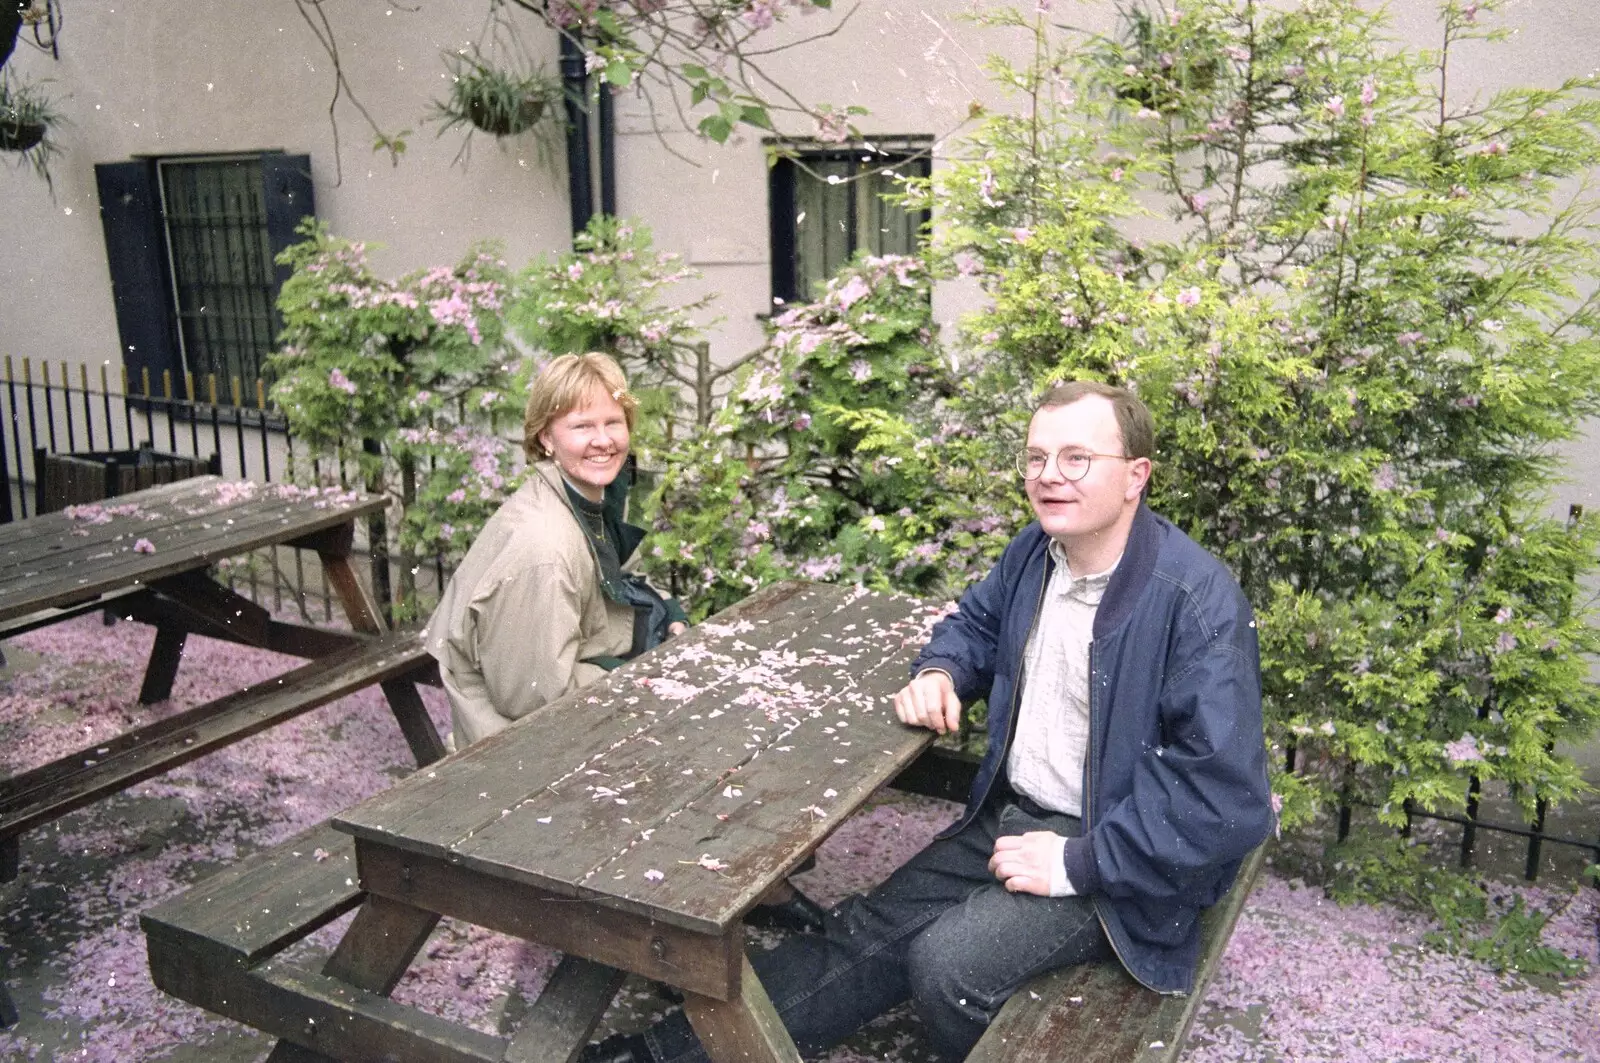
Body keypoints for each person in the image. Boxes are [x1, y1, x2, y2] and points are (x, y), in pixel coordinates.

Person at [582, 380, 1274, 1063]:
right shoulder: (1039, 552)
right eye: (1036, 458)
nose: (1049, 477)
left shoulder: (1195, 602)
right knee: (866, 929)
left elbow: (1222, 801)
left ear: (1136, 476)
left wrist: (1077, 860)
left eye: (1076, 458)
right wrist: (941, 671)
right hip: (1018, 814)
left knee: (948, 967)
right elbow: (974, 622)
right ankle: (655, 1054)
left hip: (1120, 857)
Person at [426, 352, 826, 933]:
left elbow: (611, 591)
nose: (603, 440)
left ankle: (754, 882)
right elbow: (533, 701)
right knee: (705, 738)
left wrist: (665, 620)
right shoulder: (543, 546)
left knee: (728, 706)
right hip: (511, 745)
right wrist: (656, 683)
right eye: (580, 426)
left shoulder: (579, 499)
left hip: (552, 694)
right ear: (544, 437)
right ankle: (683, 927)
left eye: (613, 422)